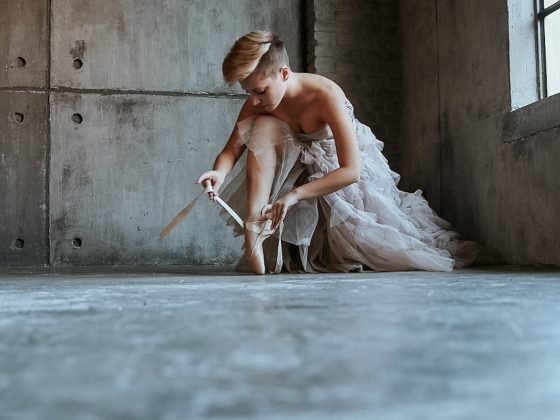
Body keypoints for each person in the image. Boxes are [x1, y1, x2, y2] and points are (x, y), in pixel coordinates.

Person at [196, 30, 491, 274]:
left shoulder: (325, 95)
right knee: (260, 127)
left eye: (260, 90)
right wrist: (218, 173)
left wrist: (295, 195)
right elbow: (232, 149)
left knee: (374, 247)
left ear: (284, 73)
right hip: (295, 167)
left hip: (337, 168)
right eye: (248, 92)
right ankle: (255, 228)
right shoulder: (258, 104)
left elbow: (352, 170)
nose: (255, 100)